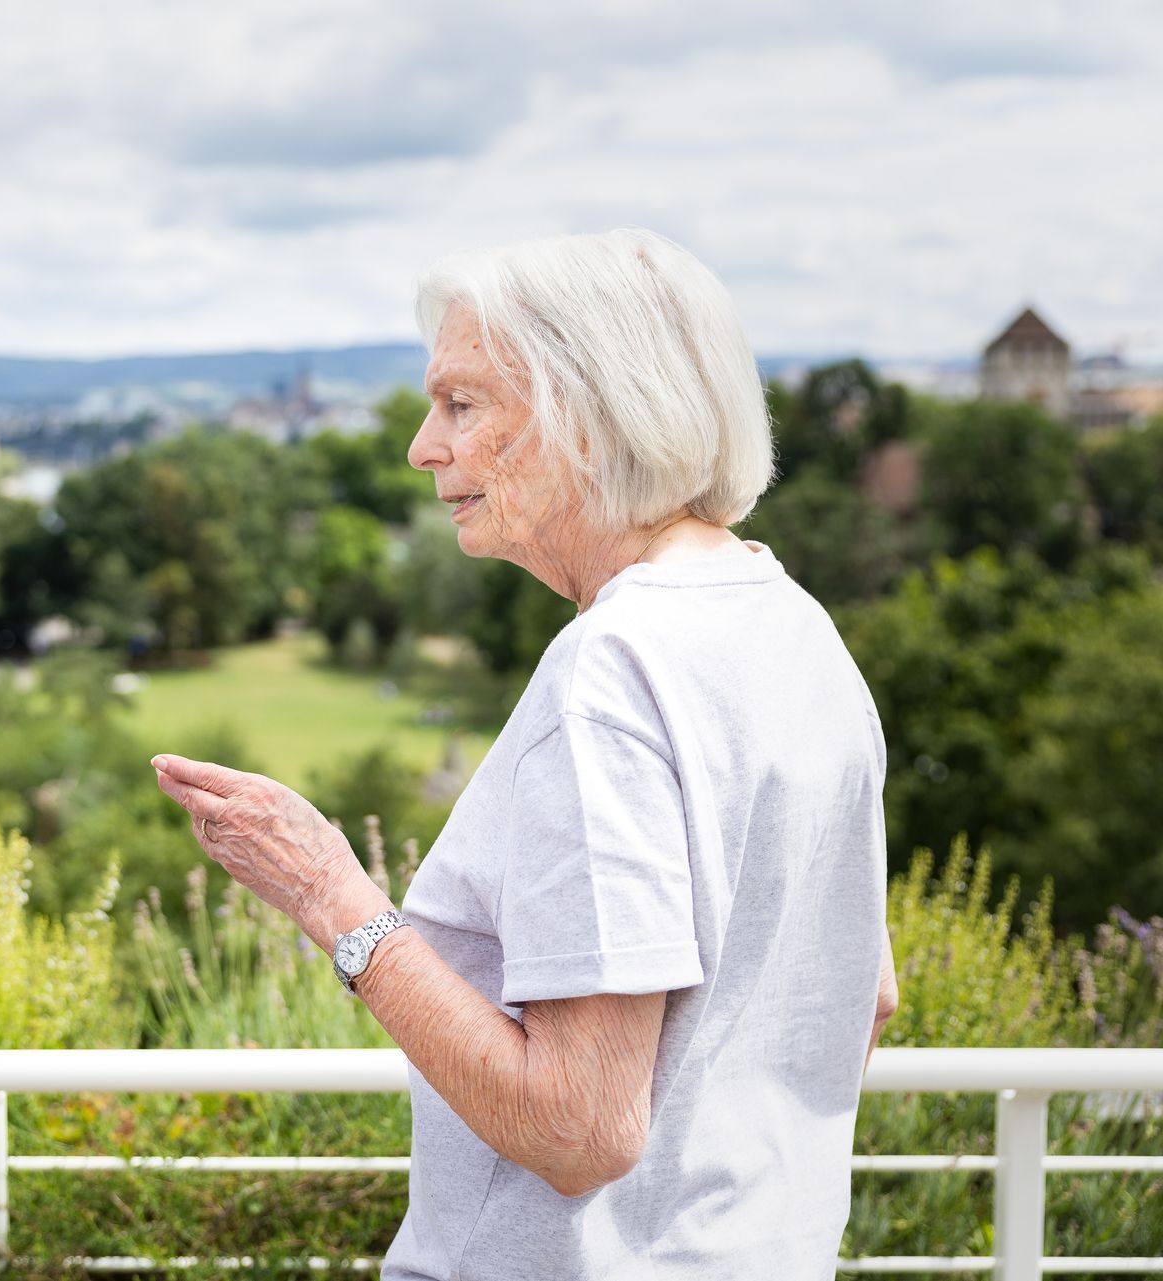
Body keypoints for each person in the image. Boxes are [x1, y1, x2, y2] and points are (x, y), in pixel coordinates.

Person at [154, 229, 900, 1279]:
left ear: (591, 415)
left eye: (462, 405)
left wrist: (333, 898)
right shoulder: (795, 627)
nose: (423, 446)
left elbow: (581, 1131)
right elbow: (859, 999)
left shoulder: (617, 667)